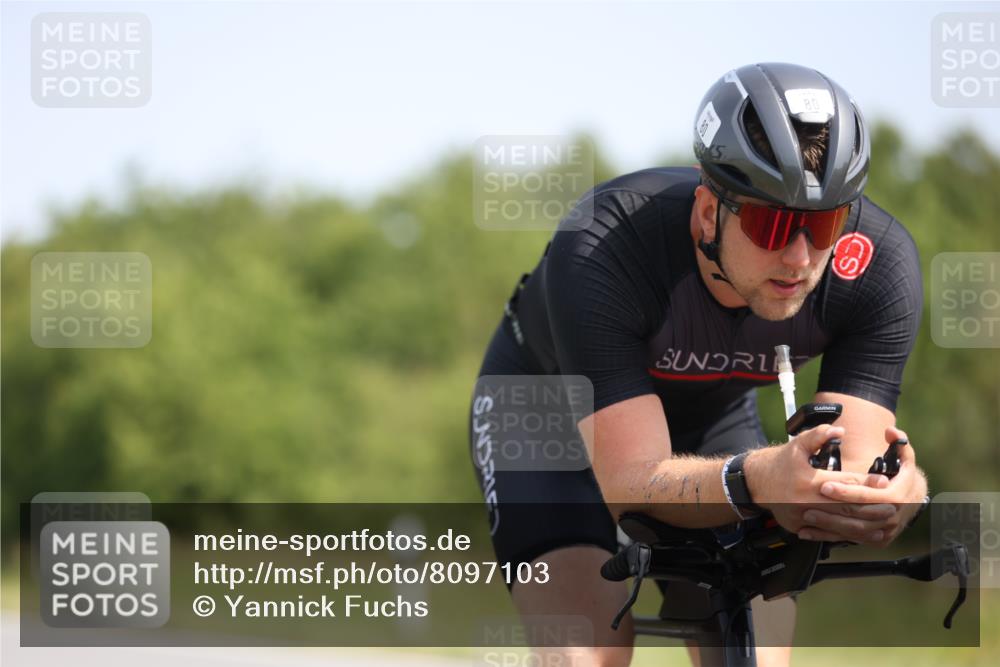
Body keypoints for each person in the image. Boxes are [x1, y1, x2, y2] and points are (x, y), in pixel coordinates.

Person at [468, 62, 929, 667]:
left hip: (709, 421)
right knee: (589, 652)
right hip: (545, 415)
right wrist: (759, 479)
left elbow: (853, 474)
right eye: (772, 223)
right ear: (709, 213)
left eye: (824, 224)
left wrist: (896, 494)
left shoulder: (879, 265)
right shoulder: (604, 239)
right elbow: (630, 481)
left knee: (753, 653)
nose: (800, 257)